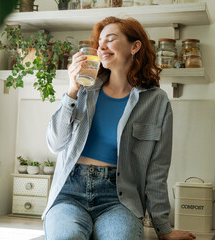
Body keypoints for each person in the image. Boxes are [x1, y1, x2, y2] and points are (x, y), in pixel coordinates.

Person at [42, 16, 196, 240]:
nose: (102, 46)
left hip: (118, 199)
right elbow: (55, 143)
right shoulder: (83, 90)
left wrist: (164, 229)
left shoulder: (156, 101)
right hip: (69, 193)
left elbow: (157, 171)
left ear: (135, 46)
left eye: (111, 39)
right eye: (100, 41)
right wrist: (71, 90)